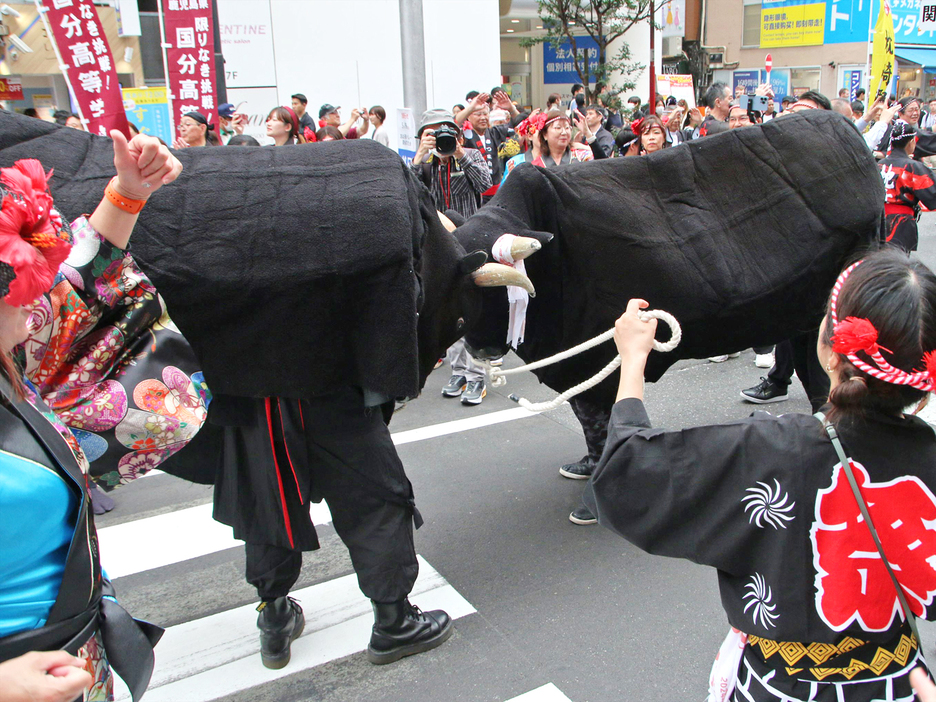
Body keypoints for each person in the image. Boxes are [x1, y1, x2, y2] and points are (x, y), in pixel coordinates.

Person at [585, 249, 936, 701]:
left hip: (780, 687)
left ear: (830, 347)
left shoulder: (768, 449)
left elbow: (627, 475)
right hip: (902, 684)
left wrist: (633, 358)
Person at [0, 133, 188, 701]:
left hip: (72, 662)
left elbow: (80, 273)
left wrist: (130, 191)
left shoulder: (11, 356)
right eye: (22, 282)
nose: (42, 303)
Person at [878, 120, 936, 252]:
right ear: (911, 142)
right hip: (901, 223)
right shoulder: (912, 167)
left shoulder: (879, 165)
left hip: (878, 222)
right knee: (897, 265)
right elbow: (932, 195)